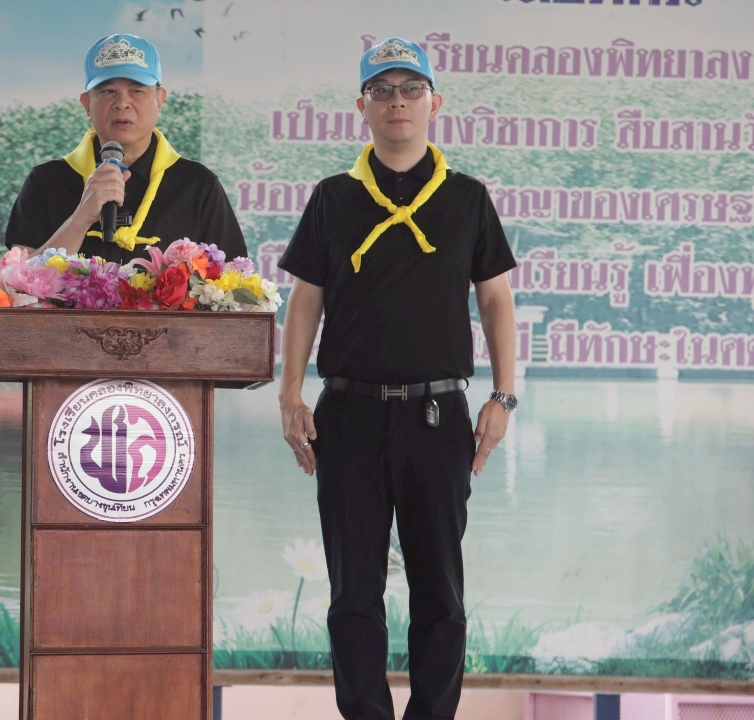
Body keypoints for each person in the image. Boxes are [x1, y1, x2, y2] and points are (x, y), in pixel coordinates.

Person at [276, 37, 519, 720]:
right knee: (354, 593)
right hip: (348, 416)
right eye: (382, 91)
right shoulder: (333, 197)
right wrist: (290, 391)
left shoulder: (467, 198)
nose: (397, 102)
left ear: (435, 104)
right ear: (362, 107)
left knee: (439, 591)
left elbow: (496, 300)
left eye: (411, 89)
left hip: (437, 417)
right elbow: (305, 300)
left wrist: (503, 396)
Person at [5, 34, 246, 263]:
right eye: (108, 91)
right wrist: (80, 218)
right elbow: (16, 281)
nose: (122, 104)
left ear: (160, 100)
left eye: (136, 91)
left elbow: (232, 282)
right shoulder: (46, 180)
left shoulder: (198, 184)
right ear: (87, 104)